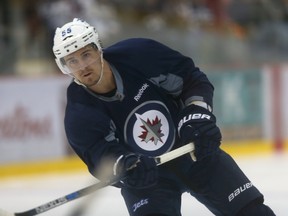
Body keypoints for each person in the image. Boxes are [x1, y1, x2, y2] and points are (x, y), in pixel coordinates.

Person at [52, 18, 275, 216]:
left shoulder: (140, 55)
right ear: (65, 67)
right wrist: (125, 166)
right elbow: (100, 156)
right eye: (72, 61)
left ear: (99, 49)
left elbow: (191, 79)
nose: (83, 66)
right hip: (148, 181)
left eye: (86, 54)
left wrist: (197, 114)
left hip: (196, 153)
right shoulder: (79, 113)